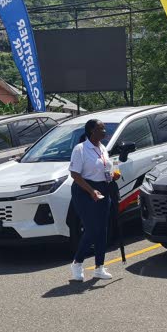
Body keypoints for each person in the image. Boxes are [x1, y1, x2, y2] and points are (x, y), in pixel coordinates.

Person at [68, 119, 116, 281]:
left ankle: (99, 267)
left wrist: (113, 174)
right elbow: (75, 174)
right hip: (84, 190)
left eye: (104, 128)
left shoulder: (102, 148)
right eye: (101, 128)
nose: (104, 131)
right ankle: (77, 263)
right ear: (91, 131)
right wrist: (91, 191)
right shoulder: (80, 149)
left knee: (102, 229)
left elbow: (106, 169)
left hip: (103, 189)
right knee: (91, 229)